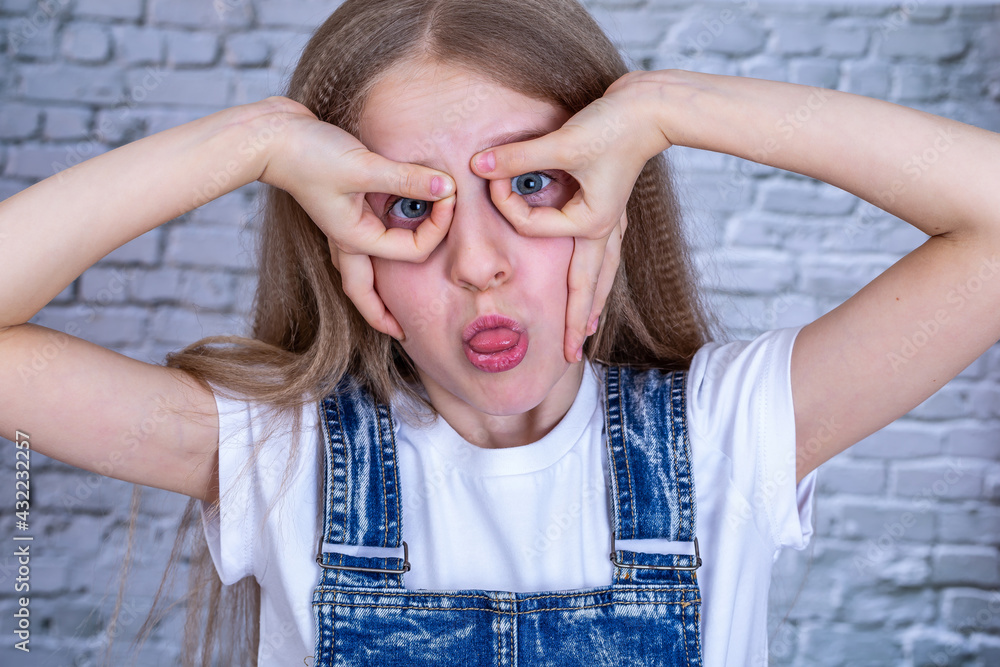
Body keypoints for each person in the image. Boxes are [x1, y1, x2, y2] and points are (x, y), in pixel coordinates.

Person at [1, 0, 998, 665]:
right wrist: (251, 141)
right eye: (404, 206)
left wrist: (664, 105)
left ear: (608, 205)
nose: (478, 261)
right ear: (338, 235)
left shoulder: (727, 437)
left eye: (532, 183)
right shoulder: (279, 459)